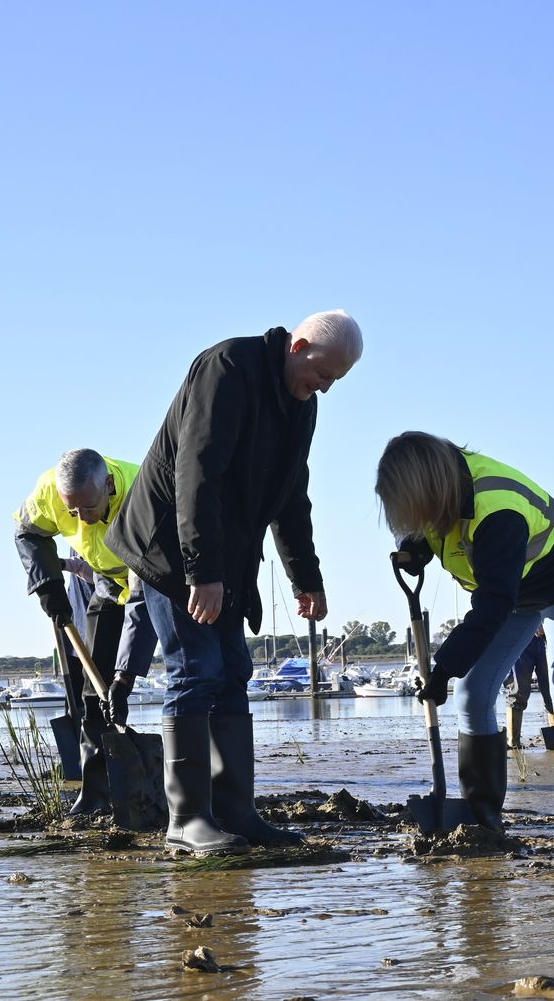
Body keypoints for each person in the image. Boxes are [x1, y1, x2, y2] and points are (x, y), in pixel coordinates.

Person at [107, 310, 363, 854]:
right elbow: (196, 473)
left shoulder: (303, 406)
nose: (325, 387)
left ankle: (235, 811)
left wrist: (306, 577)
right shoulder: (227, 368)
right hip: (170, 546)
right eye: (323, 373)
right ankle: (187, 819)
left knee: (233, 673)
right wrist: (202, 572)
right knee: (196, 669)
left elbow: (292, 496)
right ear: (298, 345)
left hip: (226, 552)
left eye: (335, 382)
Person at [378, 431, 554, 842]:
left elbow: (493, 605)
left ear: (430, 487)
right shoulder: (442, 496)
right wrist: (414, 545)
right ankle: (483, 821)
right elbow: (429, 527)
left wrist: (444, 667)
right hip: (517, 590)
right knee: (473, 693)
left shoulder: (497, 510)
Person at [14, 448, 159, 816]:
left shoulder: (144, 494)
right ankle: (94, 792)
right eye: (72, 511)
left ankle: (189, 786)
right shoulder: (48, 492)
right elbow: (27, 532)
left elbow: (142, 598)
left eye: (89, 508)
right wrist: (47, 585)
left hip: (156, 582)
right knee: (92, 690)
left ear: (109, 485)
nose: (82, 519)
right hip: (107, 583)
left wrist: (125, 677)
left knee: (123, 682)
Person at [503, 628, 554, 749]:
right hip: (521, 635)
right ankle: (513, 741)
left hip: (547, 637)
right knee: (517, 690)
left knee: (553, 691)